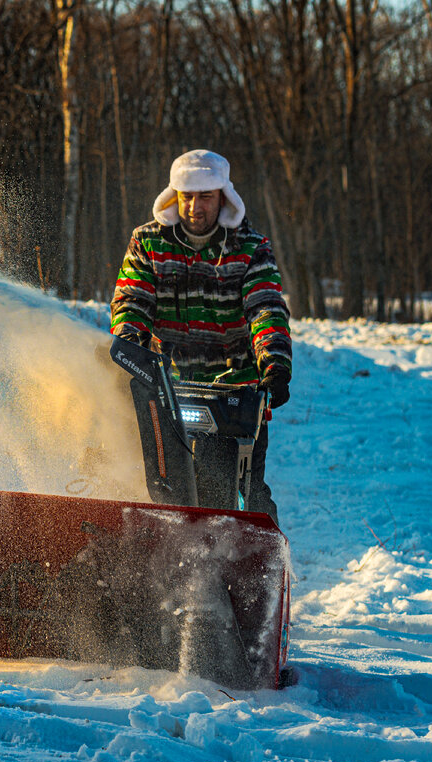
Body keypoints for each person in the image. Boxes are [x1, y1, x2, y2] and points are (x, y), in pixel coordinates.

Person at [110, 149, 291, 521]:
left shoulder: (250, 248)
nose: (195, 207)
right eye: (187, 197)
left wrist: (274, 360)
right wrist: (129, 345)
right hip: (166, 385)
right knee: (161, 488)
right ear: (174, 196)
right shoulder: (148, 243)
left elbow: (265, 308)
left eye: (205, 197)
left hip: (235, 391)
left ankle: (261, 566)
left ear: (223, 198)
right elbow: (132, 301)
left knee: (245, 493)